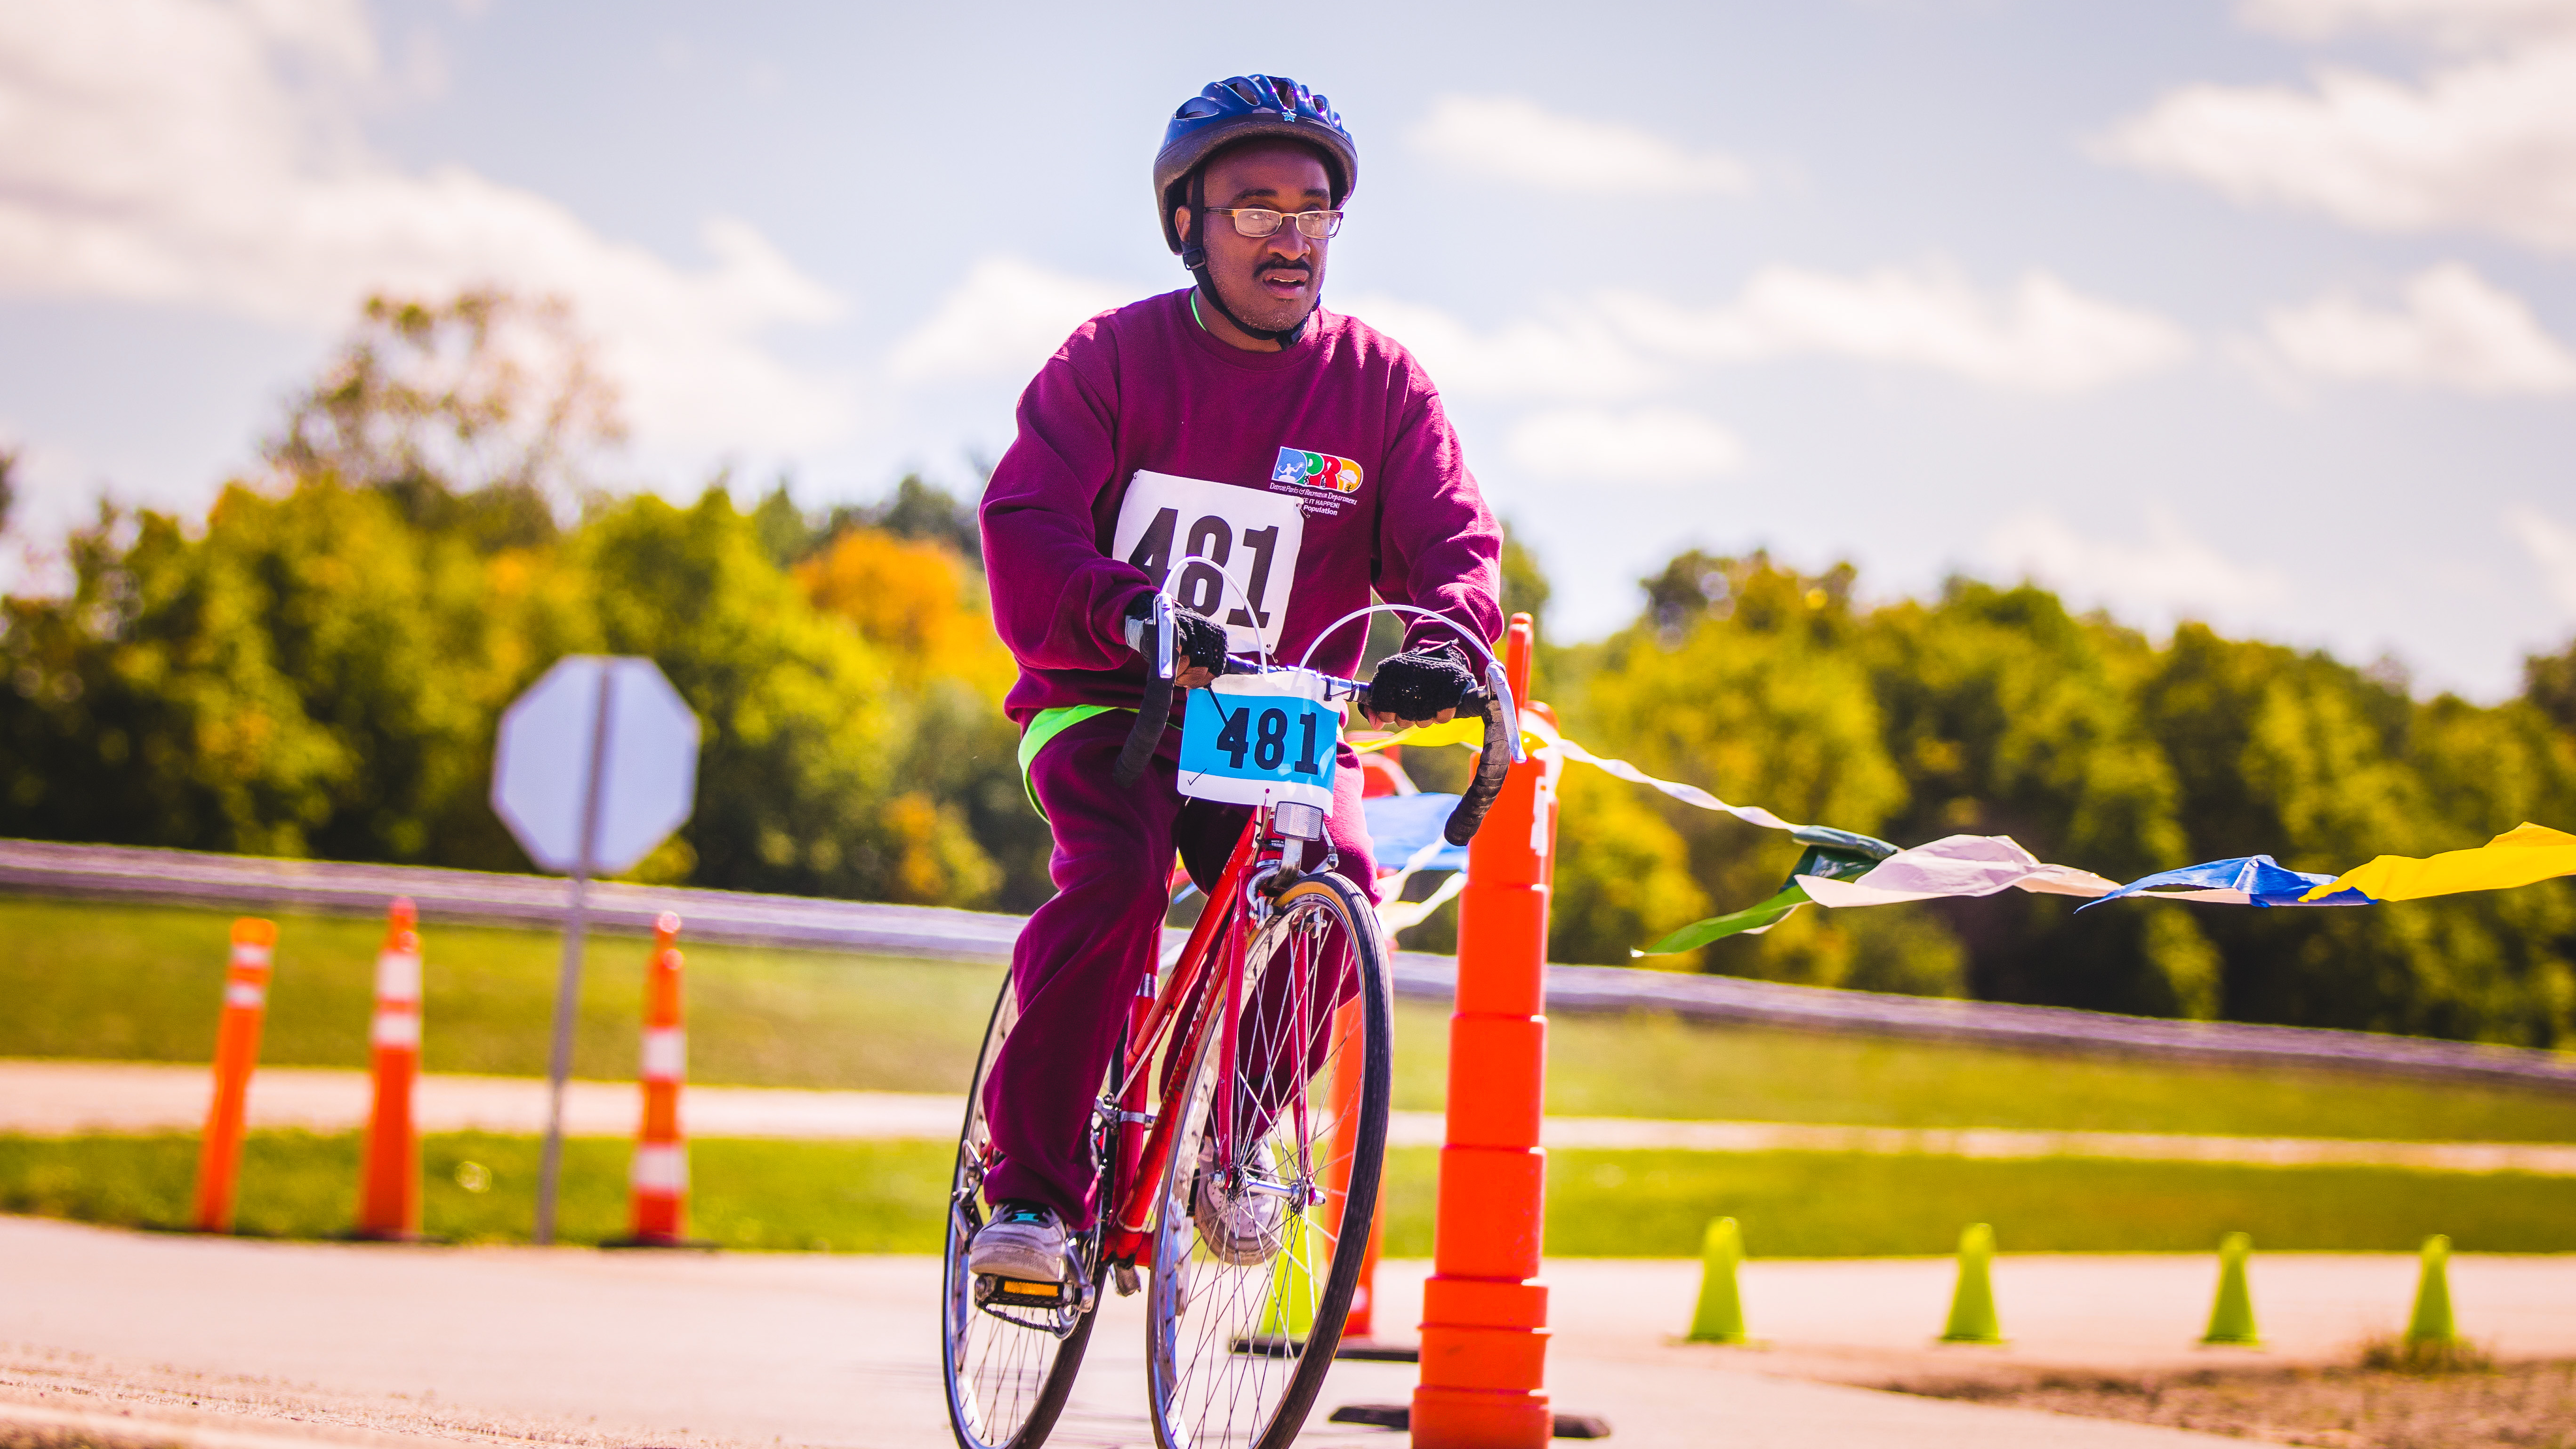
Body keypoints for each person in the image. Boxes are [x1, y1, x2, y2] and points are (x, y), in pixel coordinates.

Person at [968, 73, 1502, 1283]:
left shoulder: (1381, 389)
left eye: (1314, 211)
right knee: (1113, 883)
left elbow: (1457, 544)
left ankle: (1236, 1140)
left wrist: (1445, 642)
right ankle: (1037, 1200)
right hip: (1113, 696)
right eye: (1254, 208)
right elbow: (1028, 517)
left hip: (1276, 713)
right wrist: (1129, 609)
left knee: (1341, 890)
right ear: (1188, 227)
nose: (1290, 236)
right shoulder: (1110, 360)